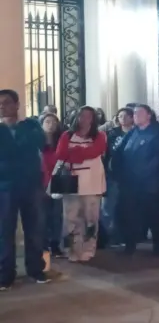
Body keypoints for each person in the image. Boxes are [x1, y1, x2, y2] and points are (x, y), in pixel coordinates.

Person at [0, 89, 49, 290]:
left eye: (6, 102)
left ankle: (36, 269)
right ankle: (5, 275)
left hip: (30, 185)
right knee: (4, 231)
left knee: (34, 229)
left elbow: (38, 144)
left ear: (17, 104)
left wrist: (16, 134)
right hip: (5, 187)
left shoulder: (31, 126)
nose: (2, 106)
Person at [113, 105, 159, 255]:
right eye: (135, 113)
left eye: (139, 113)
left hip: (150, 183)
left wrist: (142, 174)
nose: (135, 115)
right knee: (130, 213)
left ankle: (158, 246)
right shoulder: (132, 132)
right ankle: (130, 244)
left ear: (149, 115)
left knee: (153, 214)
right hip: (130, 182)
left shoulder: (158, 133)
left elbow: (158, 158)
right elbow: (120, 152)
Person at [55, 106, 107, 262]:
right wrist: (81, 153)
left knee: (90, 218)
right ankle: (72, 249)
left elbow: (95, 151)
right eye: (81, 116)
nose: (84, 119)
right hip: (71, 182)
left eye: (88, 116)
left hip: (92, 182)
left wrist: (75, 153)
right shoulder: (67, 135)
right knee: (71, 217)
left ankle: (88, 249)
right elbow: (61, 153)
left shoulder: (100, 135)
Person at [101, 108, 134, 248]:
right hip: (113, 174)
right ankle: (106, 235)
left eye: (126, 116)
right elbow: (106, 154)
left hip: (132, 176)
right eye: (120, 116)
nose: (123, 119)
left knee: (127, 206)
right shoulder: (112, 134)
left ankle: (127, 235)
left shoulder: (136, 133)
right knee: (108, 207)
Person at [40, 113, 64, 258]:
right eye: (47, 121)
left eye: (54, 122)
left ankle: (55, 244)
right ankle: (43, 245)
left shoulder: (61, 141)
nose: (51, 124)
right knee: (42, 215)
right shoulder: (37, 142)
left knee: (57, 215)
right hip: (41, 181)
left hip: (58, 181)